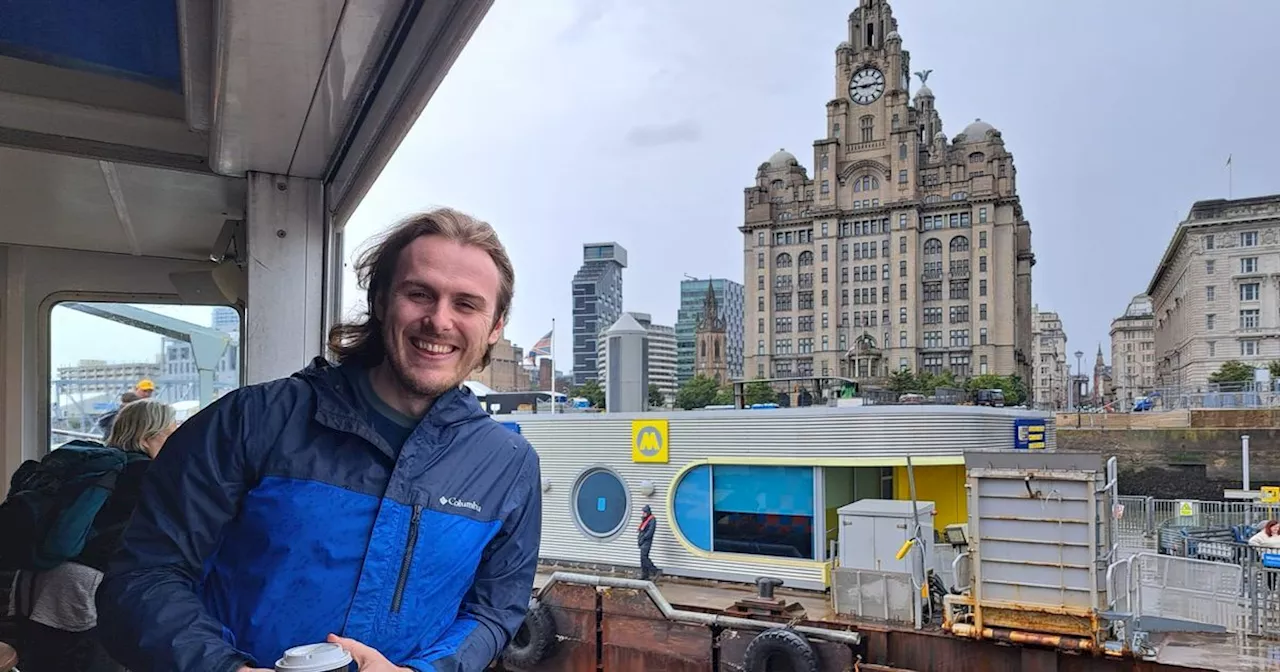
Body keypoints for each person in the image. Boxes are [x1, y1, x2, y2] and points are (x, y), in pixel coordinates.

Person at [96, 209, 543, 672]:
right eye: (419, 294)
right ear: (380, 299)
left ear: (495, 327)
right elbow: (142, 578)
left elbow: (492, 611)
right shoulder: (252, 421)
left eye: (466, 304)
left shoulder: (508, 465)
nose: (439, 321)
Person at [10, 399, 175, 672]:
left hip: (32, 579)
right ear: (148, 437)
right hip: (82, 587)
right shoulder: (147, 474)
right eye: (171, 431)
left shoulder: (94, 465)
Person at [637, 505, 660, 581]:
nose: (643, 513)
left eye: (644, 512)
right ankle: (645, 574)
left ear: (648, 512)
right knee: (642, 558)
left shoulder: (652, 520)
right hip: (642, 541)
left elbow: (650, 531)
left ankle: (655, 570)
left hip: (646, 541)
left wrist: (643, 538)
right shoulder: (645, 519)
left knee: (644, 557)